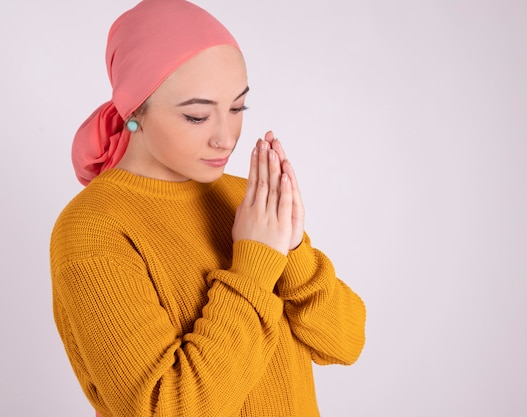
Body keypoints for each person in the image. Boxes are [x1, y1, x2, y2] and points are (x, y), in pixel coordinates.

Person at [49, 0, 366, 416]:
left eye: (237, 108)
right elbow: (168, 408)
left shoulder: (245, 201)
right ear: (134, 112)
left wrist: (291, 253)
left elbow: (345, 343)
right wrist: (255, 265)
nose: (226, 137)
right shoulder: (93, 229)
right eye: (197, 116)